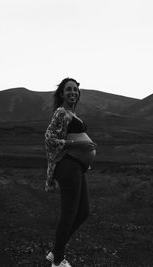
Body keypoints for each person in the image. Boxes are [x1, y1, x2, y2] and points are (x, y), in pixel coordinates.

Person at [44, 77, 97, 267]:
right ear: (61, 93)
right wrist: (78, 144)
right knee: (69, 213)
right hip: (67, 166)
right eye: (69, 89)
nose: (73, 92)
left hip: (77, 167)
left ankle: (55, 251)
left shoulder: (72, 114)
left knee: (83, 212)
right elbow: (49, 139)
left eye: (75, 89)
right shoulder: (60, 113)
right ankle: (58, 261)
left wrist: (85, 155)